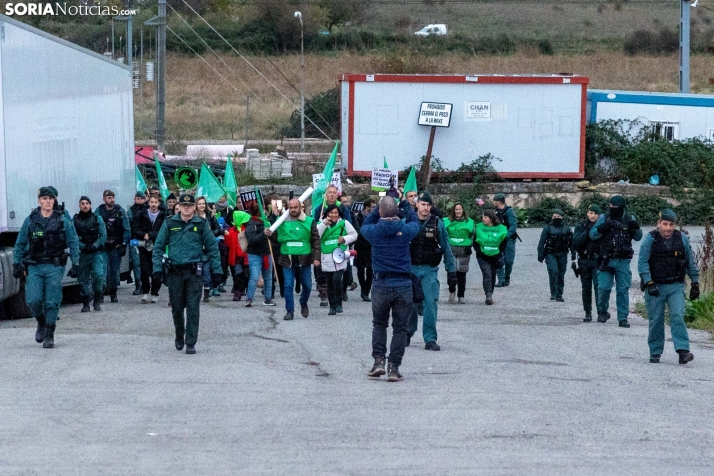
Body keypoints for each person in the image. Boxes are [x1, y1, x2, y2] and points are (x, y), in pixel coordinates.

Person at [152, 194, 222, 354]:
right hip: (175, 272)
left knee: (192, 308)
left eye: (189, 205)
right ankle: (179, 335)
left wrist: (217, 270)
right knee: (177, 308)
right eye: (183, 205)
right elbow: (158, 247)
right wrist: (157, 269)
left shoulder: (202, 224)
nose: (186, 208)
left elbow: (212, 247)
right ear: (179, 206)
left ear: (194, 207)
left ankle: (190, 341)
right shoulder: (170, 223)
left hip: (194, 273)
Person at [12, 187, 80, 348]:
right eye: (44, 199)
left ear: (54, 200)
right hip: (35, 266)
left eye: (50, 199)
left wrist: (76, 263)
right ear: (39, 201)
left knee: (52, 301)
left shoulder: (63, 219)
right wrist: (16, 262)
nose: (47, 201)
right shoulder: (31, 220)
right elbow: (20, 243)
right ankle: (41, 322)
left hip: (54, 266)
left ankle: (49, 333)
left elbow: (73, 241)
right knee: (33, 300)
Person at [361, 197, 420, 381]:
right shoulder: (405, 229)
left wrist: (377, 209)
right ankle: (394, 367)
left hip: (381, 284)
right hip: (403, 284)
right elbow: (416, 221)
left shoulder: (373, 231)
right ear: (396, 212)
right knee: (400, 329)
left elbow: (365, 222)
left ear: (380, 212)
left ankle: (378, 362)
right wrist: (405, 205)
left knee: (379, 325)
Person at [638, 209, 698, 364]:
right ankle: (655, 351)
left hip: (675, 286)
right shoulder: (650, 240)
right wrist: (648, 282)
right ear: (659, 224)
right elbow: (642, 263)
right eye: (665, 224)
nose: (668, 228)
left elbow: (690, 261)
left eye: (671, 224)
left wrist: (695, 282)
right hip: (655, 286)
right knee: (656, 319)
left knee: (677, 315)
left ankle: (683, 351)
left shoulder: (682, 239)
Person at [407, 191, 456, 351]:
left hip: (429, 269)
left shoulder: (437, 224)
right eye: (423, 204)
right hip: (411, 269)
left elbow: (446, 247)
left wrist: (451, 271)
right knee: (411, 304)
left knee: (430, 302)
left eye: (428, 205)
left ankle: (430, 339)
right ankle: (407, 333)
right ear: (417, 204)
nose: (426, 208)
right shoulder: (407, 221)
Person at [589, 195, 643, 327]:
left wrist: (635, 228)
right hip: (606, 259)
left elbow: (638, 237)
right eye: (611, 207)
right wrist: (601, 228)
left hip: (623, 260)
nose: (612, 209)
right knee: (603, 288)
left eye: (615, 207)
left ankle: (623, 317)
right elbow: (592, 234)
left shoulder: (629, 218)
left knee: (623, 289)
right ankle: (602, 311)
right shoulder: (604, 218)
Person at [266, 198, 321, 320]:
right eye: (291, 207)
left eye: (295, 207)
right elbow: (276, 238)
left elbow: (316, 240)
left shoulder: (309, 221)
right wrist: (270, 235)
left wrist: (316, 257)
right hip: (287, 259)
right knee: (288, 285)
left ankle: (303, 301)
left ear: (301, 207)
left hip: (304, 259)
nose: (293, 210)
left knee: (307, 285)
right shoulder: (281, 221)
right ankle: (289, 311)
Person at [313, 184, 353, 307]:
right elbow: (314, 227)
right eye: (329, 192)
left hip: (339, 244)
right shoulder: (319, 209)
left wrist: (346, 239)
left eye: (334, 192)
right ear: (326, 194)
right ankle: (324, 292)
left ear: (337, 194)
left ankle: (343, 289)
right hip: (325, 244)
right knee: (322, 270)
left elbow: (348, 224)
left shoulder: (342, 208)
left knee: (345, 270)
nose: (331, 194)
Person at [317, 204, 358, 315]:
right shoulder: (321, 223)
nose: (334, 215)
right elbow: (316, 235)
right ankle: (332, 306)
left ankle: (339, 303)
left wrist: (344, 239)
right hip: (327, 256)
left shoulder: (344, 223)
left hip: (340, 256)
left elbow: (354, 235)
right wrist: (324, 225)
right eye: (331, 213)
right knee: (330, 282)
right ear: (327, 214)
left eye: (336, 213)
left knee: (337, 279)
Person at [95, 190, 130, 303]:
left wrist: (124, 244)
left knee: (114, 271)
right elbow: (94, 227)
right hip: (103, 246)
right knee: (101, 271)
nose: (111, 200)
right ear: (104, 199)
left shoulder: (120, 211)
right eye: (109, 197)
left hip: (116, 245)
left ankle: (113, 292)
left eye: (112, 197)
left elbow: (126, 229)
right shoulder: (99, 211)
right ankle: (100, 293)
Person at [73, 196, 107, 312]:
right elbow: (73, 237)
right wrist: (82, 246)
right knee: (83, 279)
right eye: (82, 203)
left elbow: (103, 236)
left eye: (87, 203)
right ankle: (85, 302)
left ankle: (97, 299)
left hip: (95, 252)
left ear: (90, 205)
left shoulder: (97, 219)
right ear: (79, 205)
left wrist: (95, 245)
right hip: (83, 253)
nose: (85, 205)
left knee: (98, 275)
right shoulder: (75, 220)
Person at [572, 204, 605, 322]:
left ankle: (601, 312)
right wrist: (587, 231)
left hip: (597, 260)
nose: (593, 216)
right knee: (586, 288)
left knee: (598, 287)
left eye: (595, 214)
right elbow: (576, 242)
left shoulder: (601, 227)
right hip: (584, 260)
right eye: (591, 213)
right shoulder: (581, 226)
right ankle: (587, 312)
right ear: (587, 213)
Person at [537, 209, 574, 302]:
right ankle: (553, 293)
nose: (556, 218)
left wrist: (573, 253)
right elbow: (542, 242)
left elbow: (572, 242)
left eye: (558, 216)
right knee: (553, 271)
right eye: (554, 217)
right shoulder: (547, 228)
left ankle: (559, 294)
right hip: (550, 253)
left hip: (562, 253)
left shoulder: (567, 228)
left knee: (561, 274)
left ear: (562, 217)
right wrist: (540, 254)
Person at [135, 195, 166, 303]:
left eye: (155, 202)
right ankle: (145, 292)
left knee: (156, 270)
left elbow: (164, 231)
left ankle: (155, 292)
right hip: (144, 245)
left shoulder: (163, 216)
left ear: (158, 203)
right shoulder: (141, 214)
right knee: (144, 269)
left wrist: (151, 234)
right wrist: (144, 235)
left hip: (157, 246)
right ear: (148, 203)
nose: (153, 204)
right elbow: (135, 229)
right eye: (151, 202)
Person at [244, 202, 276, 307]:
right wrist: (263, 234)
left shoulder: (267, 222)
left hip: (266, 253)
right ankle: (249, 298)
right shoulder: (251, 223)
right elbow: (251, 239)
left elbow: (274, 237)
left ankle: (268, 298)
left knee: (268, 277)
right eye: (262, 209)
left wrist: (272, 235)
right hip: (255, 254)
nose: (265, 210)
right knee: (254, 276)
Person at [474, 209, 507, 305]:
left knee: (492, 275)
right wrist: (479, 252)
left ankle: (490, 293)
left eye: (485, 217)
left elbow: (504, 242)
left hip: (495, 255)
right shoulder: (479, 227)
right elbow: (475, 242)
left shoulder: (501, 228)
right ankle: (488, 295)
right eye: (482, 217)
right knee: (487, 274)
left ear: (491, 218)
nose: (483, 219)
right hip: (482, 256)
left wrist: (498, 253)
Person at [443, 202, 475, 304]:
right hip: (451, 250)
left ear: (463, 210)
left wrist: (470, 245)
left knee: (462, 274)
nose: (458, 211)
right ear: (453, 211)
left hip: (463, 250)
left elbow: (473, 235)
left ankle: (461, 295)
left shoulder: (469, 222)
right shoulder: (447, 221)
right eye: (456, 209)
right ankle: (452, 292)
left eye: (459, 209)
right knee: (451, 273)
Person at [195, 196, 222, 302]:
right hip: (197, 249)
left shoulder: (210, 216)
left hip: (208, 248)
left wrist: (210, 233)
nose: (201, 205)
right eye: (199, 204)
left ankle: (207, 292)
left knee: (207, 272)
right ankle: (197, 293)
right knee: (197, 273)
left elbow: (218, 229)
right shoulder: (193, 217)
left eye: (203, 203)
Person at [493, 193, 518, 287]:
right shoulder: (494, 212)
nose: (493, 203)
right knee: (498, 259)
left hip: (509, 239)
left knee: (509, 260)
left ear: (498, 202)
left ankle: (507, 277)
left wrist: (506, 236)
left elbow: (513, 226)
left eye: (494, 201)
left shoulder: (509, 211)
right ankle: (501, 279)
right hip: (497, 239)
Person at [225, 210, 251, 301]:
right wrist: (227, 236)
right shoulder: (232, 230)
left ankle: (248, 291)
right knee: (238, 275)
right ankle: (237, 293)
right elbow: (228, 244)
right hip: (236, 258)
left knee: (247, 275)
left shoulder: (246, 229)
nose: (234, 220)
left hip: (246, 257)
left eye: (236, 218)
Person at [126, 192, 147, 295]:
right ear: (134, 199)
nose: (140, 200)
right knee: (136, 263)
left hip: (148, 239)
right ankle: (138, 285)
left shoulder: (148, 210)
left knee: (147, 263)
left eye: (141, 198)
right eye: (138, 198)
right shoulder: (130, 211)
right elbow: (128, 226)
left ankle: (147, 284)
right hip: (136, 239)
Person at [354, 198, 374, 302]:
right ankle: (363, 289)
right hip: (360, 245)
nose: (374, 209)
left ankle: (366, 291)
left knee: (370, 269)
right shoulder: (358, 217)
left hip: (371, 245)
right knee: (360, 269)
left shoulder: (375, 218)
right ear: (367, 208)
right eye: (372, 207)